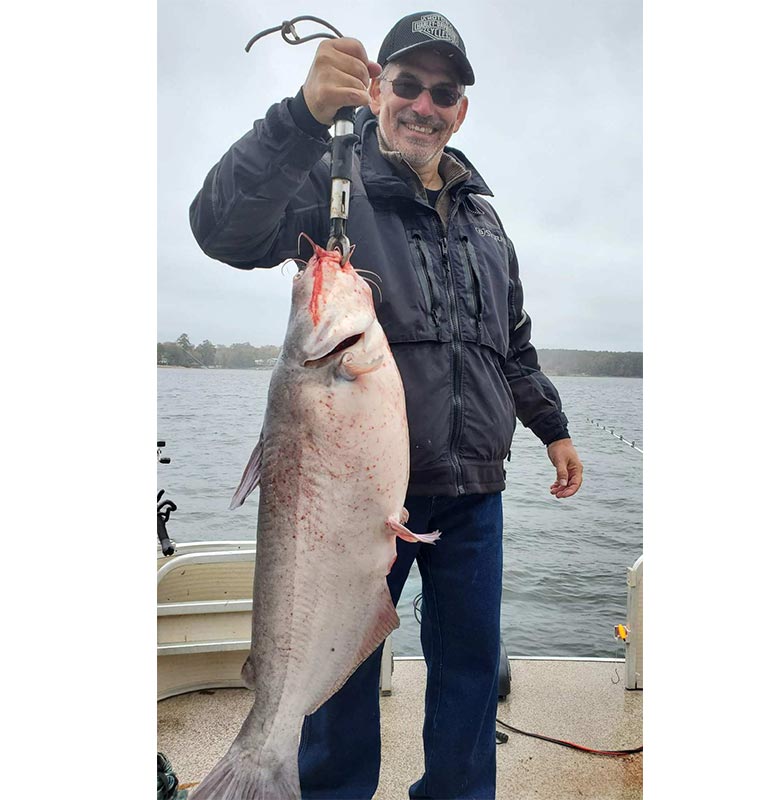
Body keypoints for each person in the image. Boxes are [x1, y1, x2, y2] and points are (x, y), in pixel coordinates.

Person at [190, 10, 583, 799]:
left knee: (469, 671)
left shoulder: (485, 220)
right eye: (408, 84)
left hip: (475, 490)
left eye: (444, 93)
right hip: (360, 499)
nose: (424, 105)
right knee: (339, 679)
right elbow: (222, 229)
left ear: (460, 112)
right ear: (376, 91)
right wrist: (299, 118)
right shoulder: (330, 183)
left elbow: (511, 343)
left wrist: (552, 428)